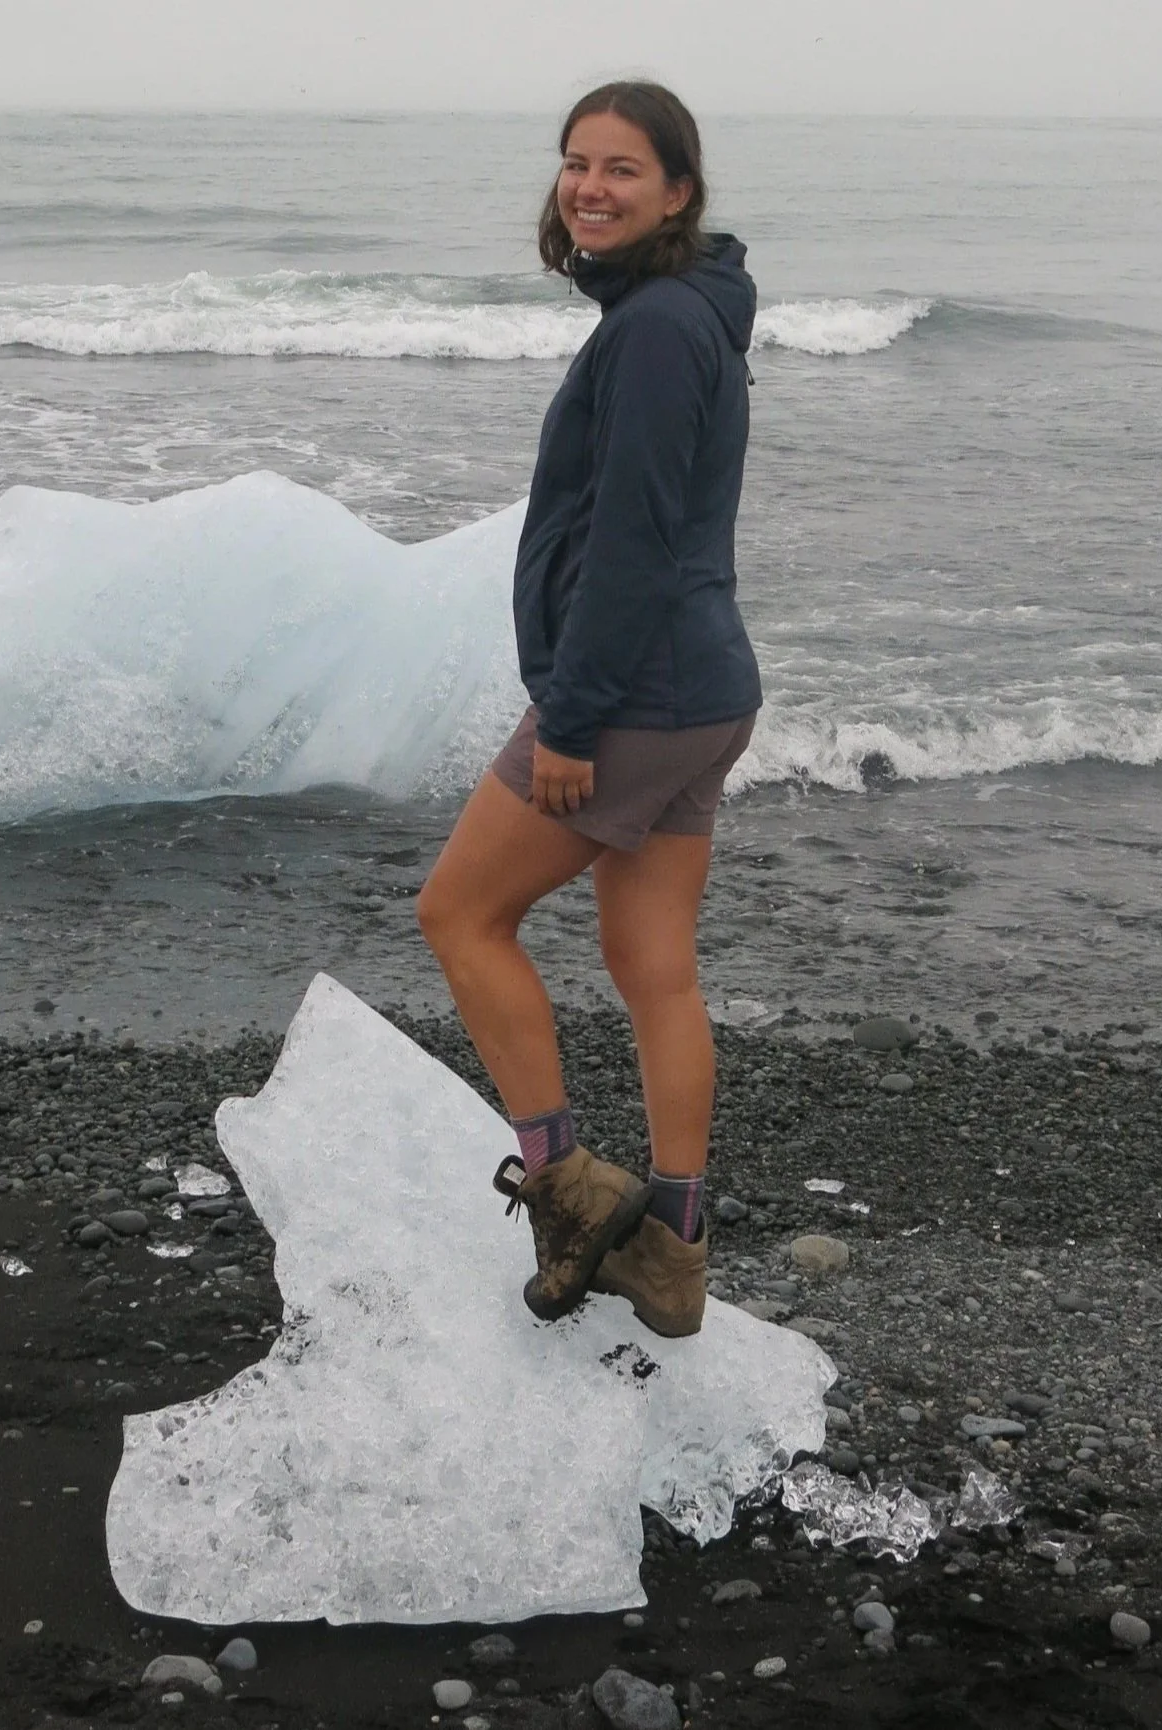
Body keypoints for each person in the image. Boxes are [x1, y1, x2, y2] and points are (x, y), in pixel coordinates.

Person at [417, 80, 761, 1338]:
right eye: (576, 162)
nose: (590, 187)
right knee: (653, 966)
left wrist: (570, 718)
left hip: (635, 694)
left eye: (622, 168)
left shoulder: (657, 328)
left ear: (679, 192)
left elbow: (629, 541)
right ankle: (671, 1246)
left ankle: (566, 1187)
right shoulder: (685, 313)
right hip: (700, 690)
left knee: (460, 913)